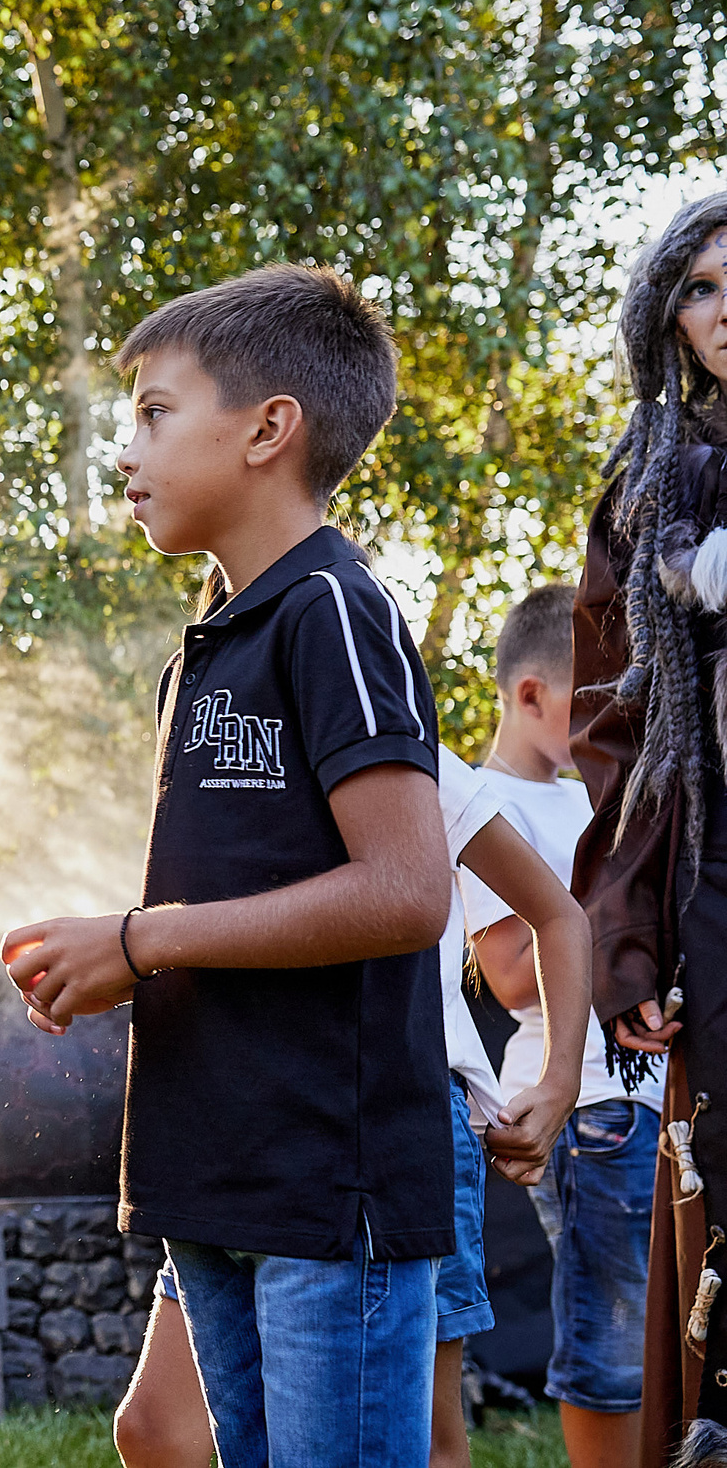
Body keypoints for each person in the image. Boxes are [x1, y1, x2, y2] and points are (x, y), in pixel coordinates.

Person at [3, 264, 458, 1468]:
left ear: (267, 428)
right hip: (211, 1177)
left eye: (155, 411)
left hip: (322, 1191)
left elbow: (409, 890)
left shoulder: (333, 609)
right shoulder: (205, 642)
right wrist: (106, 954)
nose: (125, 449)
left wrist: (141, 936)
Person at [106, 744, 589, 1468]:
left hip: (397, 1122)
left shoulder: (400, 744)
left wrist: (558, 1082)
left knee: (424, 1441)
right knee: (154, 1428)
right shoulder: (230, 743)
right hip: (250, 1122)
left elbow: (555, 912)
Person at [568, 190, 727, 1468]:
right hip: (713, 873)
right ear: (666, 317)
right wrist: (625, 940)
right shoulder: (646, 487)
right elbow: (611, 738)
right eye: (702, 287)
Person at [465, 583, 654, 1468]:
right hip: (587, 1113)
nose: (605, 720)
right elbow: (511, 976)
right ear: (530, 694)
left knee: (671, 1326)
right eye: (591, 699)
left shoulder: (593, 797)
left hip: (654, 1096)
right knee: (614, 1342)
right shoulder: (478, 803)